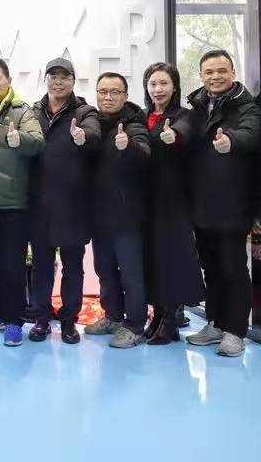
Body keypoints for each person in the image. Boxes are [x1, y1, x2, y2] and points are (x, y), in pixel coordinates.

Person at [185, 49, 261, 358]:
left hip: (233, 202)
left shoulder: (246, 106)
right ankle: (215, 323)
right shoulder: (197, 106)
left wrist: (231, 140)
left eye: (221, 71)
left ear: (232, 72)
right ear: (201, 75)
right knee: (211, 267)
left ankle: (235, 330)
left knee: (233, 268)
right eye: (209, 72)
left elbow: (251, 133)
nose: (215, 76)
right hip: (202, 203)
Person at [0, 58, 44, 347]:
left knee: (13, 264)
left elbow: (37, 141)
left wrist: (19, 140)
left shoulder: (21, 110)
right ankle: (1, 312)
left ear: (8, 80)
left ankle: (15, 320)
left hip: (13, 202)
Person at [27, 57, 101, 345]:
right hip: (39, 204)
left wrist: (83, 137)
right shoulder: (32, 112)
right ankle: (41, 318)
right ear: (45, 79)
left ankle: (69, 320)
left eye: (64, 77)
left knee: (73, 266)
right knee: (42, 266)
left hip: (73, 204)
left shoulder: (84, 111)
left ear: (73, 80)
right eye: (53, 76)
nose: (58, 82)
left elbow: (94, 134)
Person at [83, 72, 150, 348]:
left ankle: (135, 325)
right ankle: (112, 315)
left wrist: (129, 146)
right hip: (100, 215)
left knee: (130, 273)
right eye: (103, 91)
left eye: (114, 92)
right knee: (105, 269)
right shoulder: (93, 125)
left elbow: (145, 154)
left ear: (125, 96)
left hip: (127, 215)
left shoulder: (134, 124)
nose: (108, 97)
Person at [141, 63, 205, 345]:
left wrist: (173, 136)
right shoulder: (141, 116)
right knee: (151, 258)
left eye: (163, 83)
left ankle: (170, 319)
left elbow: (183, 131)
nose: (158, 89)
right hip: (146, 201)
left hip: (173, 201)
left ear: (174, 86)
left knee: (172, 259)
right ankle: (157, 315)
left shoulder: (184, 115)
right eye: (153, 84)